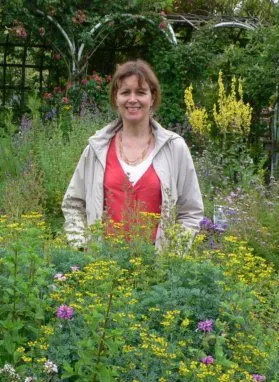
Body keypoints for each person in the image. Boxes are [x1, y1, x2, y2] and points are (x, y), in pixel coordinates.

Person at [61, 59, 204, 249]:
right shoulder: (97, 149)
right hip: (103, 267)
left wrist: (173, 254)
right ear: (116, 98)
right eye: (125, 92)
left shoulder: (174, 149)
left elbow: (191, 212)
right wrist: (82, 247)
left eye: (141, 92)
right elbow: (73, 204)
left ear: (152, 98)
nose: (132, 99)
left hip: (157, 269)